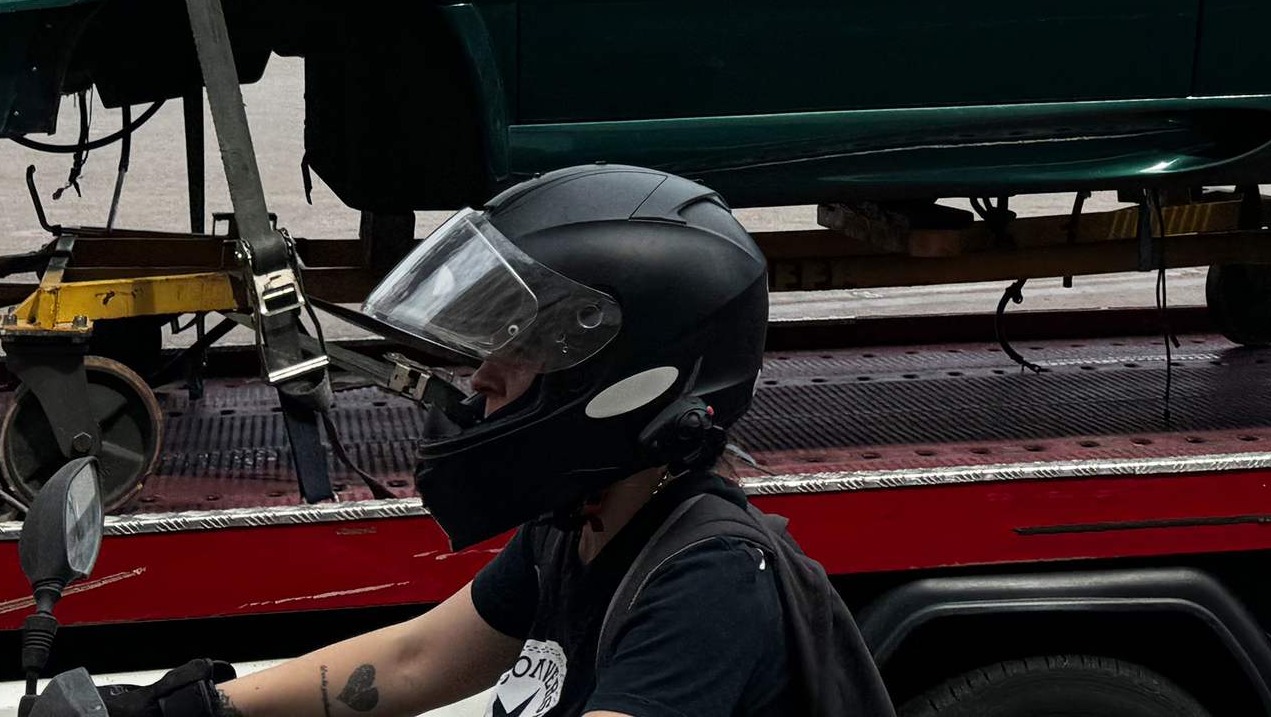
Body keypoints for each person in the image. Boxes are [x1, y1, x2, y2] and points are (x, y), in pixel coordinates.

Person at [97, 167, 804, 717]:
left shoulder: (706, 583)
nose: (483, 376)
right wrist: (195, 704)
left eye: (523, 350)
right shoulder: (579, 529)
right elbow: (416, 660)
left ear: (627, 374)